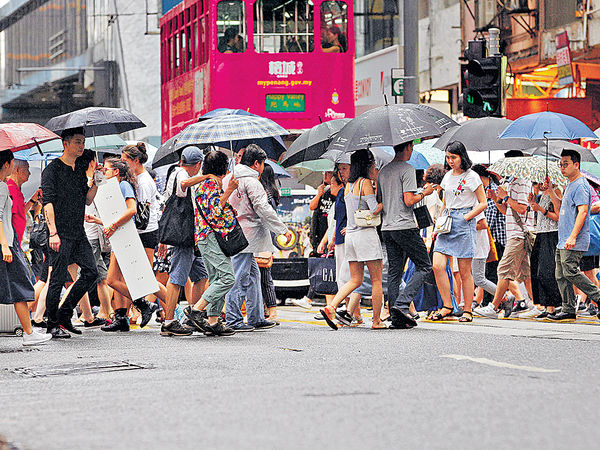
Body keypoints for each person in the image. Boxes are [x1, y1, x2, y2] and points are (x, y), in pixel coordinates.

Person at [223, 144, 292, 331]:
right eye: (262, 164)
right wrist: (282, 229)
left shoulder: (231, 178)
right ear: (256, 164)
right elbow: (263, 208)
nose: (263, 168)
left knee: (253, 276)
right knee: (240, 277)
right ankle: (234, 318)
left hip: (237, 234)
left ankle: (256, 316)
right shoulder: (251, 181)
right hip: (247, 236)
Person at [41, 127, 99, 338]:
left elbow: (87, 199)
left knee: (92, 272)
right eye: (77, 141)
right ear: (65, 143)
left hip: (78, 232)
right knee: (56, 278)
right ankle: (52, 324)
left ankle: (65, 313)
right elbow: (47, 203)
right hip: (60, 233)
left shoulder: (80, 170)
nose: (82, 146)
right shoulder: (53, 169)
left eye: (83, 141)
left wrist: (96, 182)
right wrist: (53, 233)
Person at [320, 149, 386, 330]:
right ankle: (376, 320)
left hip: (350, 236)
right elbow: (374, 209)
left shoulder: (348, 186)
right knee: (376, 280)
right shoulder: (364, 183)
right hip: (366, 235)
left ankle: (331, 306)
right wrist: (383, 200)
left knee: (355, 279)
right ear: (366, 164)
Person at [377, 141, 435, 329]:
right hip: (405, 226)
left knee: (394, 272)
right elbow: (409, 200)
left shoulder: (383, 171)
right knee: (425, 265)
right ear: (408, 148)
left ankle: (397, 318)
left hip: (387, 227)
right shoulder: (407, 169)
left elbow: (380, 200)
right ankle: (402, 304)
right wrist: (424, 192)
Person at [183, 149, 239, 336]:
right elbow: (215, 211)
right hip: (210, 237)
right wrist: (230, 190)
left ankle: (214, 321)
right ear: (222, 168)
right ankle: (197, 310)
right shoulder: (210, 184)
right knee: (227, 277)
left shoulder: (205, 184)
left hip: (204, 237)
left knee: (216, 278)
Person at [430, 142, 487, 322]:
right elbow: (445, 203)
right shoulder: (447, 176)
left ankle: (467, 309)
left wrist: (467, 217)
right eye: (448, 157)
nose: (450, 161)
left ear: (462, 156)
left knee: (464, 271)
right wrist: (437, 227)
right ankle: (448, 305)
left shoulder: (472, 176)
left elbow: (483, 202)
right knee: (437, 265)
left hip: (464, 221)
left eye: (453, 157)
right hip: (447, 221)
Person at [474, 153, 535, 319]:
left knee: (503, 270)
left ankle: (494, 307)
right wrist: (496, 198)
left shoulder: (522, 182)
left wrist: (506, 197)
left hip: (518, 234)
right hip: (514, 233)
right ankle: (537, 305)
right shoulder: (513, 182)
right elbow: (507, 211)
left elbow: (522, 208)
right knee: (525, 273)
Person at [0, 150, 51, 346]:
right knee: (22, 284)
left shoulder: (7, 187)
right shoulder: (5, 187)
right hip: (8, 245)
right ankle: (28, 332)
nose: (28, 174)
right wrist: (6, 245)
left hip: (11, 243)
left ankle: (29, 331)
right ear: (8, 165)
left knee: (21, 285)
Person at [83, 157, 138, 332]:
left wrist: (113, 225)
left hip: (124, 236)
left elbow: (132, 210)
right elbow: (114, 216)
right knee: (118, 279)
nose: (103, 172)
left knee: (112, 279)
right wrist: (99, 221)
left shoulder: (123, 186)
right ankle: (121, 316)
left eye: (106, 170)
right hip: (117, 236)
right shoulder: (113, 188)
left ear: (116, 172)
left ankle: (145, 303)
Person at [160, 146, 209, 336]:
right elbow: (184, 185)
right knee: (177, 278)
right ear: (198, 164)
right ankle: (169, 321)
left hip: (191, 236)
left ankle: (192, 316)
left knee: (201, 274)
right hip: (183, 235)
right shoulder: (180, 172)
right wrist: (207, 177)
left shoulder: (178, 171)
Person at [548, 150, 600, 321]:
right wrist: (550, 191)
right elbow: (562, 207)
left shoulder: (581, 185)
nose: (562, 168)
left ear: (576, 165)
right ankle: (568, 308)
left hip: (572, 238)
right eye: (560, 164)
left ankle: (598, 297)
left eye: (566, 164)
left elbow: (583, 211)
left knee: (570, 271)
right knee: (560, 274)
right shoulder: (569, 184)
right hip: (563, 238)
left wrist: (573, 236)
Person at [121, 143, 166, 325]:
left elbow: (143, 216)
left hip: (146, 232)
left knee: (145, 276)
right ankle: (133, 311)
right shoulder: (137, 178)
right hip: (142, 231)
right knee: (137, 275)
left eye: (125, 161)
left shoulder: (144, 181)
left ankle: (167, 307)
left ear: (136, 160)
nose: (123, 165)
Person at [292, 171, 335, 309]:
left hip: (330, 235)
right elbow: (312, 206)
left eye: (328, 173)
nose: (325, 175)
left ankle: (326, 303)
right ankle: (320, 302)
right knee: (322, 267)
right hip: (319, 235)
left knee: (329, 268)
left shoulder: (337, 192)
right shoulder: (323, 191)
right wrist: (319, 194)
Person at [523, 181, 562, 318]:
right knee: (537, 271)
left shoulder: (555, 191)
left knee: (546, 271)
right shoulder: (541, 195)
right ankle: (547, 306)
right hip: (540, 233)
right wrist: (533, 202)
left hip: (552, 233)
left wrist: (540, 209)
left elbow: (558, 216)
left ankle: (554, 305)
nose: (540, 183)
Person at [259, 163, 280, 324]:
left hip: (264, 238)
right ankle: (265, 309)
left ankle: (272, 311)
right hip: (266, 237)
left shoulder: (267, 196)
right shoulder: (270, 193)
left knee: (265, 276)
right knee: (260, 275)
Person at [7, 159, 39, 245]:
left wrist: (33, 199)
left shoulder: (16, 189)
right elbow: (8, 217)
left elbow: (20, 213)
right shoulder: (11, 189)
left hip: (17, 240)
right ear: (17, 170)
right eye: (27, 169)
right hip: (12, 241)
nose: (29, 173)